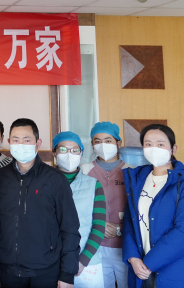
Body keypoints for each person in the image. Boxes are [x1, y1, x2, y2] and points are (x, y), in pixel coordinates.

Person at [0, 118, 80, 288]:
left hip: (47, 272)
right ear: (9, 142)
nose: (21, 145)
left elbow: (69, 228)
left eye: (27, 140)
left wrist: (67, 274)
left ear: (38, 143)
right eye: (16, 140)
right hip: (7, 271)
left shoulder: (55, 180)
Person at [122, 124, 184, 288]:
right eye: (148, 144)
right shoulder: (138, 180)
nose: (154, 148)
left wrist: (148, 263)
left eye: (160, 144)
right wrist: (133, 258)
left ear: (173, 149)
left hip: (178, 270)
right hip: (141, 270)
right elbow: (129, 222)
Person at [52, 132, 105, 287]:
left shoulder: (93, 184)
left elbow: (99, 226)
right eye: (63, 149)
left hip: (87, 264)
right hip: (51, 263)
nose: (69, 154)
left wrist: (82, 261)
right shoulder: (43, 184)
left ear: (81, 153)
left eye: (75, 150)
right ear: (54, 152)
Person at [80, 122, 129, 288]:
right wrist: (99, 227)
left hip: (125, 246)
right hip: (94, 246)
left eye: (108, 140)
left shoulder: (131, 171)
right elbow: (78, 208)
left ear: (118, 143)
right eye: (97, 141)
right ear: (92, 145)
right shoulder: (83, 170)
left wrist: (119, 228)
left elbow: (140, 212)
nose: (103, 145)